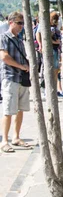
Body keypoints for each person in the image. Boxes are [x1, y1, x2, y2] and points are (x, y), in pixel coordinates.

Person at [0, 11, 32, 152]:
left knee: (20, 109)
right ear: (11, 22)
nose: (21, 26)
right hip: (10, 77)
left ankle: (16, 137)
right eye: (19, 23)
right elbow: (4, 57)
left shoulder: (19, 40)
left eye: (23, 23)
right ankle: (4, 141)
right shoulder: (4, 38)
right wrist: (21, 66)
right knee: (8, 110)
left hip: (21, 79)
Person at [36, 11, 63, 96]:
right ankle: (46, 89)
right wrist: (42, 44)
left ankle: (53, 89)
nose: (56, 21)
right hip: (49, 49)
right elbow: (44, 36)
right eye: (54, 19)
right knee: (47, 69)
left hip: (56, 49)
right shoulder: (45, 24)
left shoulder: (56, 25)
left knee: (56, 69)